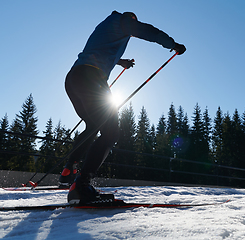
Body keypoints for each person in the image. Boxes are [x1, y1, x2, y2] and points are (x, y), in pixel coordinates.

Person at [60, 10, 186, 205]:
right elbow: (148, 31)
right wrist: (173, 44)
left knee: (92, 126)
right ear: (130, 19)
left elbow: (100, 50)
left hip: (74, 78)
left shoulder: (105, 27)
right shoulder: (122, 21)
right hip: (91, 78)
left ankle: (69, 170)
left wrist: (121, 62)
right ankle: (82, 185)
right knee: (110, 132)